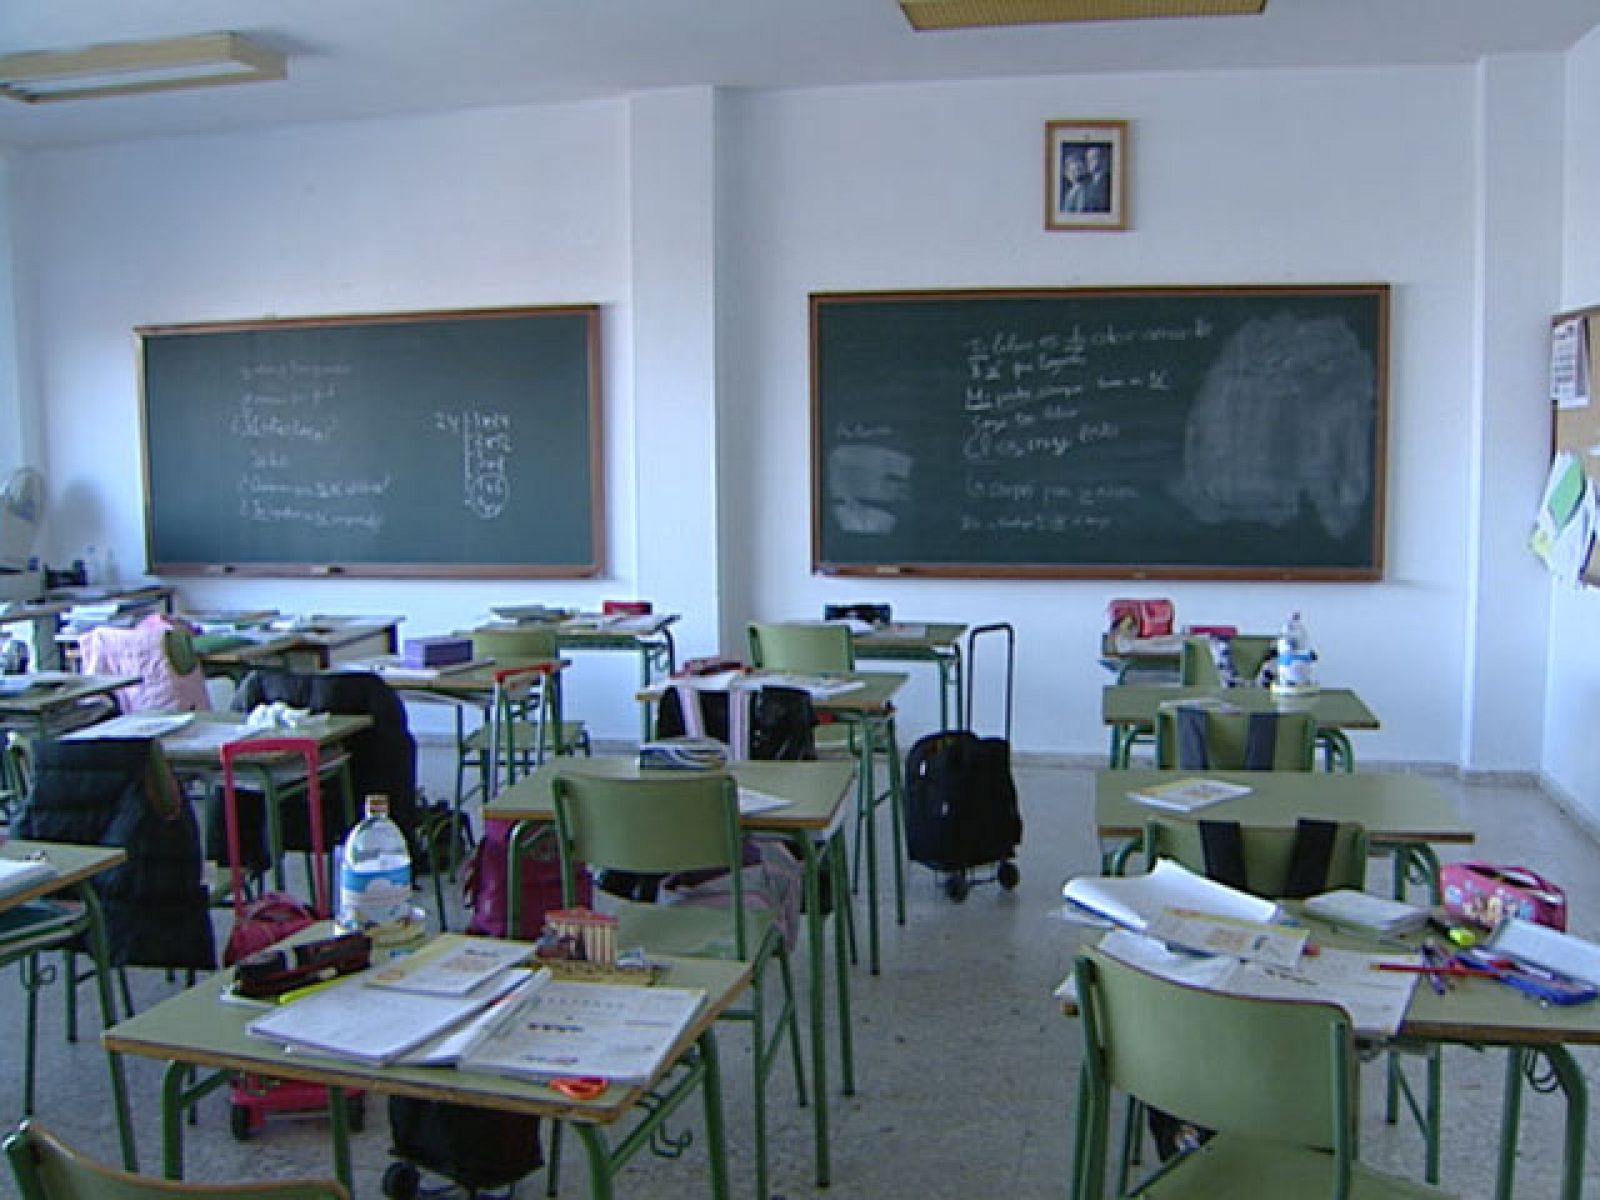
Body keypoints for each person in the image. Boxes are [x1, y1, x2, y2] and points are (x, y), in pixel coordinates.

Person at [1083, 144, 1112, 212]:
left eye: (1092, 158)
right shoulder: (1088, 184)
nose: (1088, 163)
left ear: (1103, 159)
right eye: (1087, 159)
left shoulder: (1108, 182)